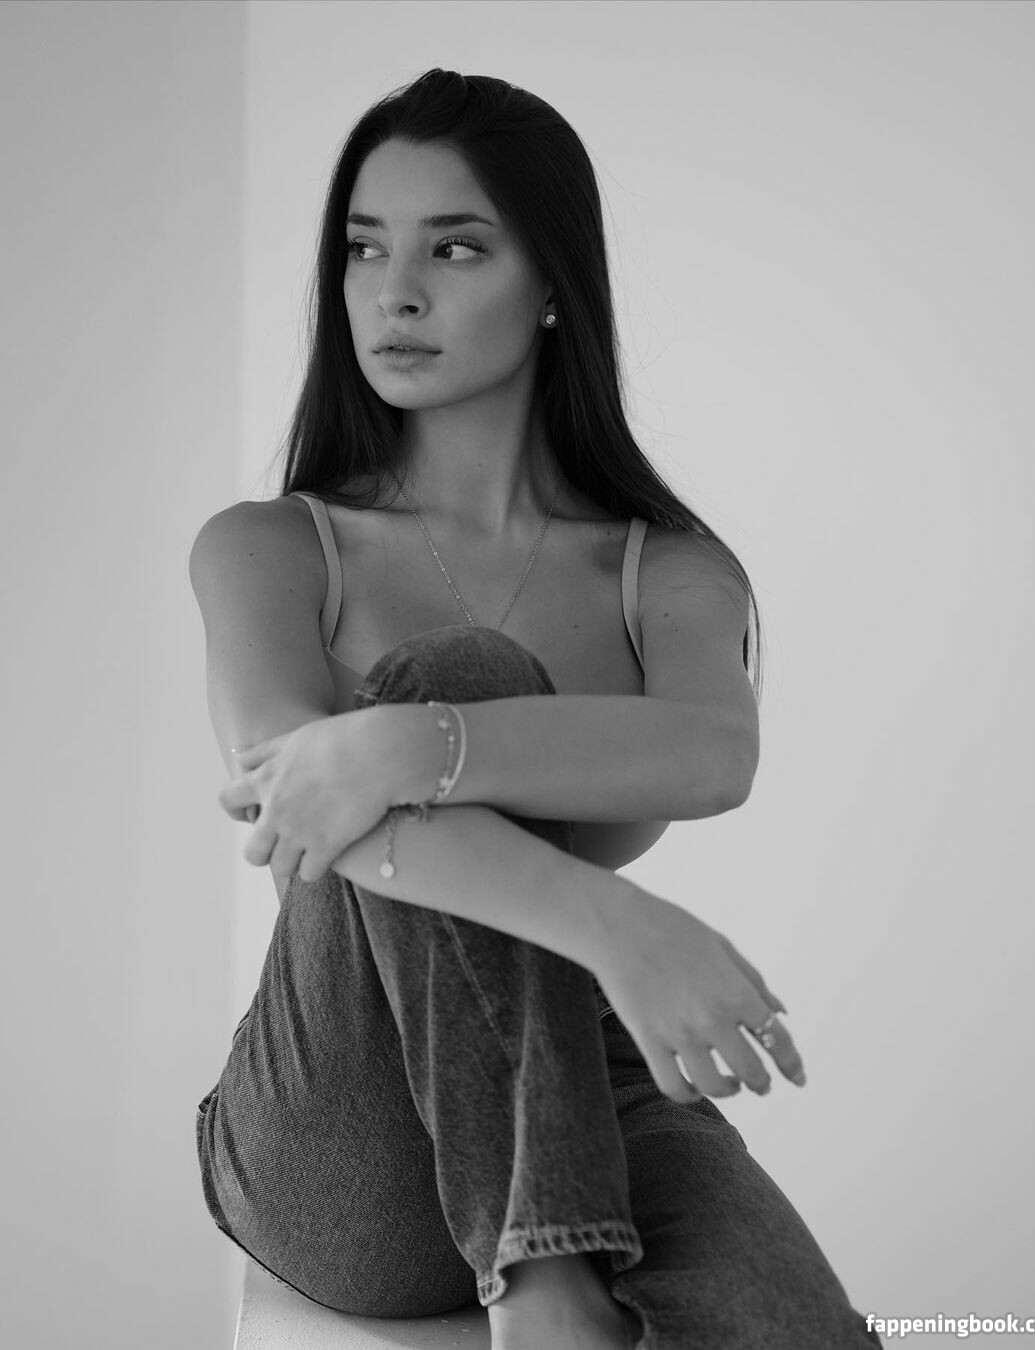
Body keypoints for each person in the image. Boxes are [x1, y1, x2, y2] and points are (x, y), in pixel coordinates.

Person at [191, 68, 882, 1350]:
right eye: (364, 248)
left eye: (454, 248)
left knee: (796, 1327)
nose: (394, 292)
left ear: (554, 282)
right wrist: (612, 920)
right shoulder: (272, 547)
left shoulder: (665, 569)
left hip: (580, 1075)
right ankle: (548, 1285)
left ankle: (553, 1246)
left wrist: (402, 747)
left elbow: (714, 754)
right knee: (462, 668)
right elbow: (286, 788)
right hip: (341, 1123)